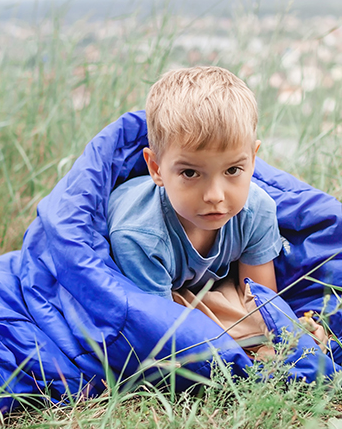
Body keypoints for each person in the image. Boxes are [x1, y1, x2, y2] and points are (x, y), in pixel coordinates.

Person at [108, 66, 306, 352]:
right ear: (156, 168)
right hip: (151, 286)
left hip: (192, 290)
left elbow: (262, 302)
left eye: (233, 170)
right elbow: (163, 336)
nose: (215, 196)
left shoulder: (258, 209)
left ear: (253, 160)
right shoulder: (139, 235)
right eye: (190, 173)